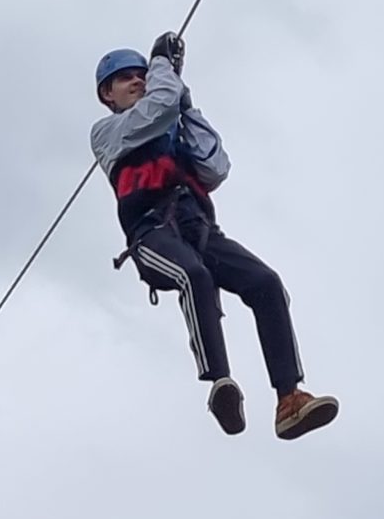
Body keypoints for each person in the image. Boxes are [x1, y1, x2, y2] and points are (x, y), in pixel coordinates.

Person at [90, 34, 339, 439]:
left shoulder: (170, 127)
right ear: (108, 94)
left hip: (200, 230)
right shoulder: (108, 132)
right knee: (194, 276)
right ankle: (220, 381)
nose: (138, 81)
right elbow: (158, 107)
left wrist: (187, 108)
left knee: (265, 283)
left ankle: (289, 398)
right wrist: (162, 67)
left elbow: (214, 166)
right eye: (126, 78)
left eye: (142, 75)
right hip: (151, 234)